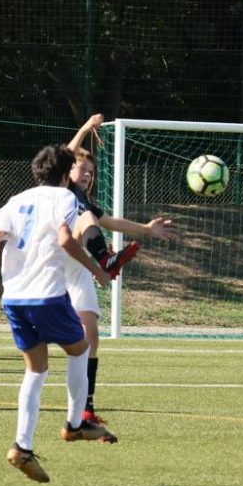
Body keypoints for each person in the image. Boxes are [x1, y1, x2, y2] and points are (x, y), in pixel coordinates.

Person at [0, 143, 118, 484]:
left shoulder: (16, 200)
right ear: (65, 174)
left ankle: (22, 447)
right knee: (81, 349)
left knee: (36, 369)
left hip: (14, 299)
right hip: (47, 296)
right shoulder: (64, 198)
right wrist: (98, 270)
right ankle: (75, 424)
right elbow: (66, 240)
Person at [66, 113, 173, 425]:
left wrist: (146, 229)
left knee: (91, 334)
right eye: (81, 169)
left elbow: (110, 221)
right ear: (68, 169)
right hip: (57, 261)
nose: (87, 175)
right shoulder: (61, 189)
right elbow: (67, 153)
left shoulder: (85, 200)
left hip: (79, 266)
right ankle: (105, 259)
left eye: (90, 172)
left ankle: (86, 406)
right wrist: (85, 128)